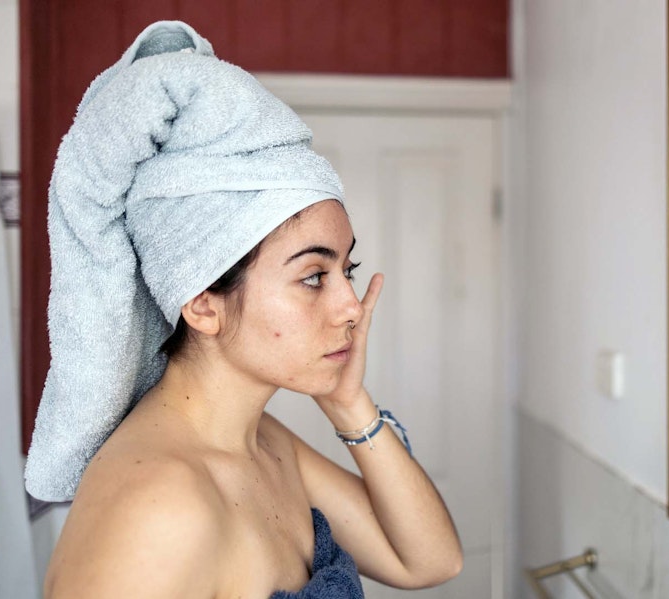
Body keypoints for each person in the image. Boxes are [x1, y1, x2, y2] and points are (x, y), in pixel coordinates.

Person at [26, 21, 462, 599]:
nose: (351, 306)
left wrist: (348, 403)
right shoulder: (156, 509)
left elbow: (429, 562)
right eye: (313, 276)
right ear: (203, 304)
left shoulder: (263, 443)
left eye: (346, 272)